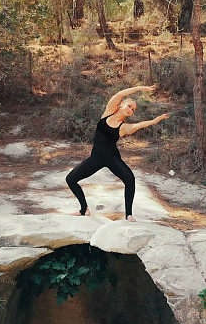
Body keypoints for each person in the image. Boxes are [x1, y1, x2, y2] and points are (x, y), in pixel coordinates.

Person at [66, 85, 170, 222]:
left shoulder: (124, 128)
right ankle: (84, 209)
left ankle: (129, 215)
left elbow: (138, 126)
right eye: (129, 106)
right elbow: (120, 93)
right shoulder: (108, 112)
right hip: (95, 158)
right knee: (70, 179)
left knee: (130, 180)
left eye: (133, 110)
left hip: (111, 158)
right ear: (121, 105)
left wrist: (155, 120)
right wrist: (141, 88)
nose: (130, 109)